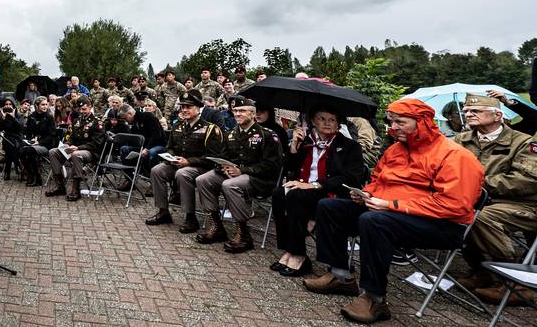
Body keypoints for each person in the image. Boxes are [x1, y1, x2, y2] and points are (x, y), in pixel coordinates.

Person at [303, 99, 484, 325]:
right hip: (392, 213)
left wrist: (390, 205)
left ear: (423, 123)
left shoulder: (455, 156)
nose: (393, 128)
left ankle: (374, 298)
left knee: (374, 221)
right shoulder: (396, 149)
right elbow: (379, 180)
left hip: (442, 225)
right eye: (391, 122)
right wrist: (366, 194)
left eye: (400, 122)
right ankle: (340, 275)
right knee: (330, 207)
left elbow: (453, 205)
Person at [453, 93, 537, 305]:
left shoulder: (522, 142)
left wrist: (480, 183)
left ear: (497, 115)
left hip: (521, 205)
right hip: (476, 201)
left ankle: (517, 282)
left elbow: (527, 180)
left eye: (475, 111)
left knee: (478, 217)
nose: (468, 114)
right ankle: (483, 272)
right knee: (457, 213)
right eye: (466, 111)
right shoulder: (461, 139)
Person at [270, 107, 366, 277]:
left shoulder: (350, 146)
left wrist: (316, 185)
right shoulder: (306, 142)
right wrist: (293, 147)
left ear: (338, 123)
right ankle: (290, 249)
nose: (327, 123)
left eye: (332, 120)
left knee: (294, 195)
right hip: (304, 190)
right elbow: (288, 169)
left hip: (331, 193)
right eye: (322, 119)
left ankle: (299, 254)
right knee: (279, 193)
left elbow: (350, 178)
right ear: (313, 121)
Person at [195, 96, 283, 252]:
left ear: (252, 114)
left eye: (242, 111)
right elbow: (223, 157)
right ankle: (216, 226)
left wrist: (242, 171)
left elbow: (272, 166)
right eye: (235, 111)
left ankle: (244, 234)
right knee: (204, 179)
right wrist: (223, 167)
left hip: (259, 180)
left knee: (229, 185)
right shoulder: (231, 134)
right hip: (233, 174)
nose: (237, 114)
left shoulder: (267, 135)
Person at [145, 90, 225, 233]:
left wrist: (188, 162)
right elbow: (169, 147)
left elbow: (213, 157)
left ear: (198, 108)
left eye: (189, 107)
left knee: (183, 173)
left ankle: (190, 217)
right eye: (183, 107)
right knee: (157, 170)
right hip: (178, 164)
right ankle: (163, 211)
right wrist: (171, 157)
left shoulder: (210, 129)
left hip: (200, 168)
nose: (185, 110)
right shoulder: (178, 126)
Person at [46, 97, 106, 201]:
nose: (82, 111)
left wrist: (78, 147)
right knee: (53, 152)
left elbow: (96, 143)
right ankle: (60, 186)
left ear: (90, 107)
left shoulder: (98, 122)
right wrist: (67, 144)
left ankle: (75, 189)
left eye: (84, 109)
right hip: (75, 148)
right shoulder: (76, 121)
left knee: (75, 154)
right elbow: (72, 137)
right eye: (80, 109)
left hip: (90, 152)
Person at [19, 97, 57, 186]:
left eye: (46, 104)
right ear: (36, 106)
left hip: (46, 145)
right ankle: (30, 175)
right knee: (19, 148)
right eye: (42, 105)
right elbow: (28, 131)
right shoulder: (32, 116)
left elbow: (52, 136)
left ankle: (37, 177)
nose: (45, 106)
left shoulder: (49, 117)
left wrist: (39, 142)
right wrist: (30, 139)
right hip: (33, 143)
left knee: (29, 150)